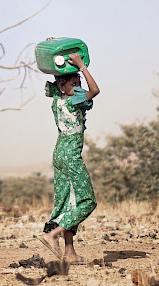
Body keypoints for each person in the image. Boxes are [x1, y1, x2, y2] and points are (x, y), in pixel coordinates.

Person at [38, 51, 100, 264]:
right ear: (64, 86)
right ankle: (52, 235)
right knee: (87, 201)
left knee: (68, 202)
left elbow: (57, 80)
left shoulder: (58, 97)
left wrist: (55, 54)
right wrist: (82, 66)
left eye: (79, 81)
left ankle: (70, 253)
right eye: (73, 82)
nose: (78, 85)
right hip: (71, 155)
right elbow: (96, 90)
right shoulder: (76, 100)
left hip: (59, 153)